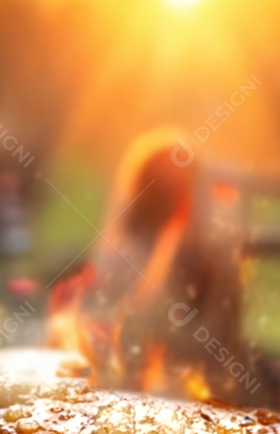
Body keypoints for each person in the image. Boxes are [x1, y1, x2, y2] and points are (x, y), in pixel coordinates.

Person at [79, 130, 245, 400]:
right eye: (158, 187)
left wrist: (174, 236)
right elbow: (111, 312)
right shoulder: (128, 244)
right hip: (128, 388)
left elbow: (210, 342)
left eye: (178, 186)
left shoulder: (214, 257)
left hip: (191, 390)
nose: (168, 198)